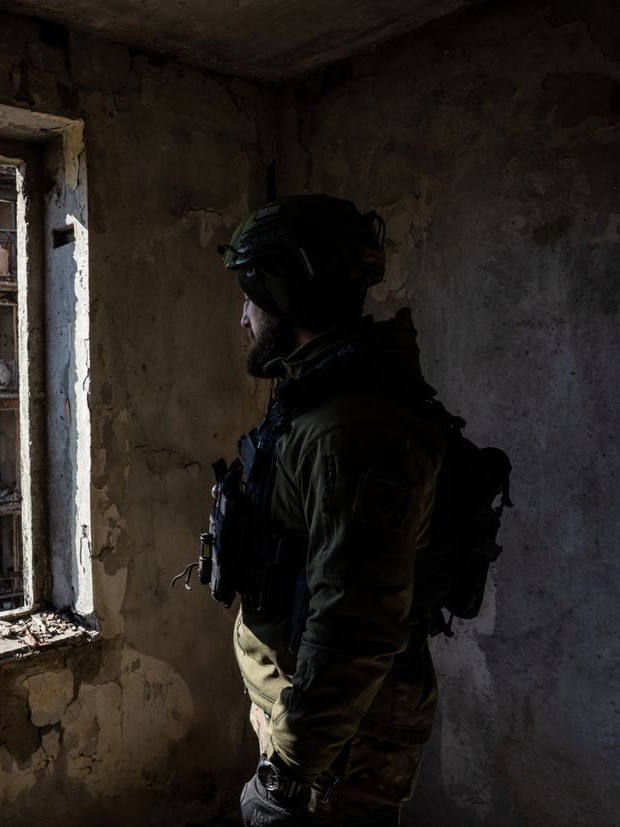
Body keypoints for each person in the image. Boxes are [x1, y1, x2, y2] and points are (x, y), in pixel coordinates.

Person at [216, 195, 446, 826]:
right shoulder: (319, 401)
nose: (242, 317)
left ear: (287, 297)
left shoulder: (354, 429)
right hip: (310, 716)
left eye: (250, 294)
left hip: (342, 738)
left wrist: (286, 772)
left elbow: (355, 623)